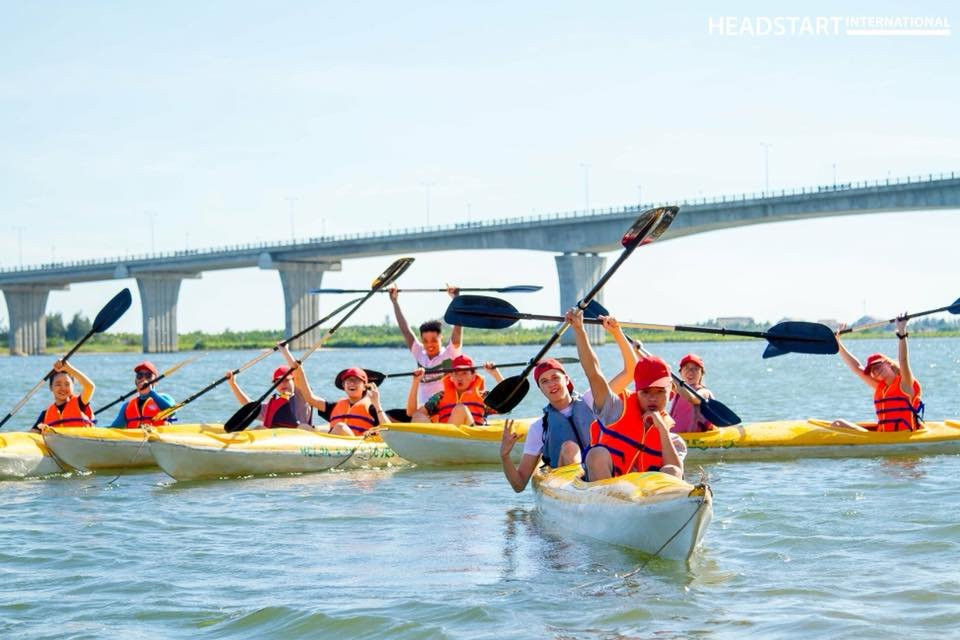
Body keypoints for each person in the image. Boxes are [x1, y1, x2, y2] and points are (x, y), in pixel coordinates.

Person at [499, 315, 639, 492]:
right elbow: (519, 485)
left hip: (598, 473)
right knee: (569, 447)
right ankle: (584, 491)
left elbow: (631, 371)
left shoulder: (591, 400)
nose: (551, 384)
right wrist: (504, 456)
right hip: (567, 489)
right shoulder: (539, 428)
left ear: (567, 379)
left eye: (555, 377)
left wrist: (617, 332)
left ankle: (606, 495)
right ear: (540, 389)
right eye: (544, 381)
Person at [569, 308, 686, 480]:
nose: (653, 398)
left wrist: (662, 429)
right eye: (646, 392)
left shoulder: (675, 441)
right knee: (597, 454)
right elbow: (594, 374)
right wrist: (579, 330)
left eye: (660, 392)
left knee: (673, 471)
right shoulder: (615, 408)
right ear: (637, 391)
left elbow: (677, 471)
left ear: (671, 392)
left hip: (646, 497)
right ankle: (607, 505)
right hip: (608, 491)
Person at [833, 316, 923, 432]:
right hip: (882, 436)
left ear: (889, 364)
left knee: (838, 423)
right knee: (838, 423)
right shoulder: (880, 387)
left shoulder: (905, 384)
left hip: (903, 436)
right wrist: (838, 343)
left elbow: (903, 360)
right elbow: (856, 368)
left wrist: (902, 332)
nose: (876, 370)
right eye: (872, 370)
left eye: (878, 365)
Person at [278, 357, 391, 436]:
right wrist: (299, 369)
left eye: (356, 381)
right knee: (303, 427)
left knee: (340, 427)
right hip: (332, 445)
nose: (351, 384)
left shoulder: (372, 407)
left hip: (356, 446)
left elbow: (390, 430)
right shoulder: (335, 407)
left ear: (364, 386)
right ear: (344, 386)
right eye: (348, 381)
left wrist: (377, 403)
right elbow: (310, 397)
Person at [389, 284, 463, 405]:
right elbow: (405, 330)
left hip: (445, 410)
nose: (430, 345)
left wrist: (456, 299)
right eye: (425, 341)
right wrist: (395, 302)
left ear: (441, 338)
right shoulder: (419, 353)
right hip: (424, 411)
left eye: (434, 340)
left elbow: (458, 327)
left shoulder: (450, 353)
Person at [226, 344, 313, 429]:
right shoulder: (273, 406)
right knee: (259, 427)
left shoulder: (302, 395)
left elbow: (298, 372)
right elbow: (248, 404)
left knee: (303, 427)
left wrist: (285, 350)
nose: (282, 384)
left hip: (301, 436)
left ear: (294, 381)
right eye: (278, 382)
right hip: (278, 438)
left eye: (286, 380)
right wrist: (233, 384)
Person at [407, 355, 502, 425]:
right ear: (451, 376)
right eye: (456, 373)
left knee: (460, 409)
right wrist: (416, 381)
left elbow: (507, 405)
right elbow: (411, 413)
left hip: (472, 437)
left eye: (464, 373)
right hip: (445, 438)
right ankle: (436, 444)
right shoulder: (440, 397)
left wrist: (496, 374)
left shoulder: (484, 396)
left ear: (473, 376)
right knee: (418, 416)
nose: (459, 378)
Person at [32, 359, 96, 431]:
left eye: (67, 384)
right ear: (51, 387)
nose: (63, 388)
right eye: (58, 384)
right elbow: (33, 433)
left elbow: (90, 387)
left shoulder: (80, 402)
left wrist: (69, 369)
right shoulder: (45, 414)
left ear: (73, 386)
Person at [110, 361, 175, 428]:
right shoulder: (127, 406)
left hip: (158, 437)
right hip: (134, 437)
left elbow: (171, 412)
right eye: (139, 375)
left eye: (148, 375)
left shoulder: (165, 398)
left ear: (155, 381)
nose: (143, 379)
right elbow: (114, 428)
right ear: (135, 380)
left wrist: (151, 393)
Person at [669, 353, 716, 433]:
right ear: (680, 372)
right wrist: (639, 351)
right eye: (686, 368)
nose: (690, 372)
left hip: (694, 437)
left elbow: (693, 398)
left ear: (701, 373)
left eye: (695, 369)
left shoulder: (704, 392)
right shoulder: (676, 390)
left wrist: (672, 378)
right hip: (675, 436)